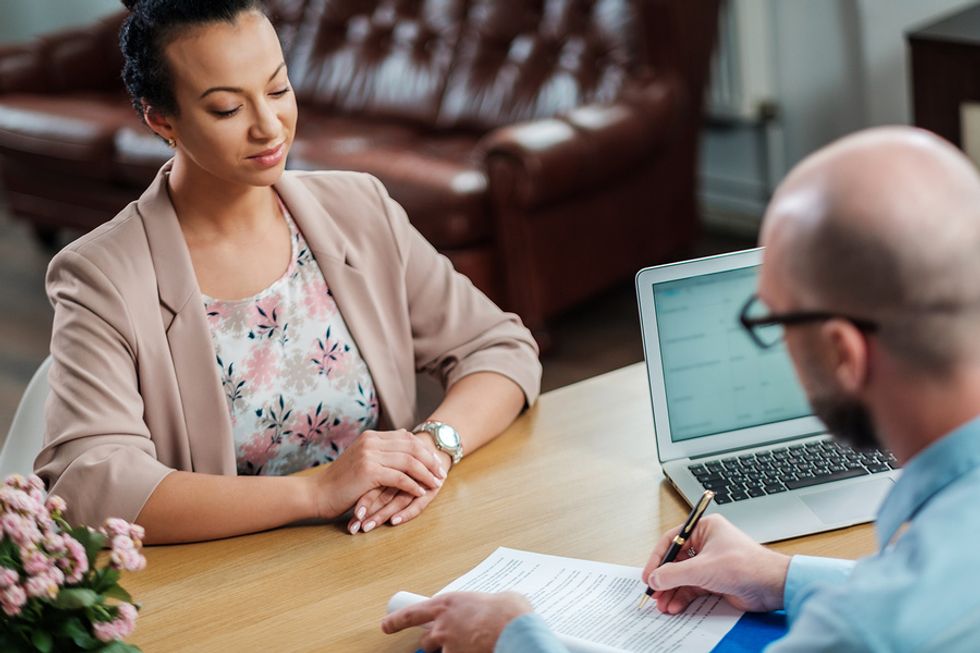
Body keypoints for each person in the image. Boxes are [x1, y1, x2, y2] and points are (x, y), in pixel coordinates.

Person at [383, 126, 980, 652]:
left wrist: (514, 638)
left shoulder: (875, 629)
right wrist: (778, 576)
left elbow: (903, 611)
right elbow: (930, 584)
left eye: (769, 324)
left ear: (844, 353)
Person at [35, 0, 541, 545]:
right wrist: (318, 491)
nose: (269, 125)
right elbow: (91, 485)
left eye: (278, 89)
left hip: (388, 553)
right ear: (161, 119)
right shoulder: (101, 275)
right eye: (228, 109)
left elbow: (498, 347)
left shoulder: (359, 209)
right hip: (232, 588)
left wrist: (430, 450)